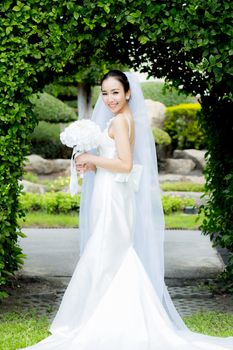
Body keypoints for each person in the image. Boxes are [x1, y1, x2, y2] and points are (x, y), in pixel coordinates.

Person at [20, 71, 233, 349]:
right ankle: (111, 316)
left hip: (113, 197)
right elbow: (115, 159)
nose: (109, 98)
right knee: (113, 254)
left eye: (115, 92)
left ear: (128, 93)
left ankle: (110, 323)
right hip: (112, 192)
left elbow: (125, 164)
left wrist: (89, 156)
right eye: (105, 93)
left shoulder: (120, 121)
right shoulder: (124, 119)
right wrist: (93, 163)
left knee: (108, 253)